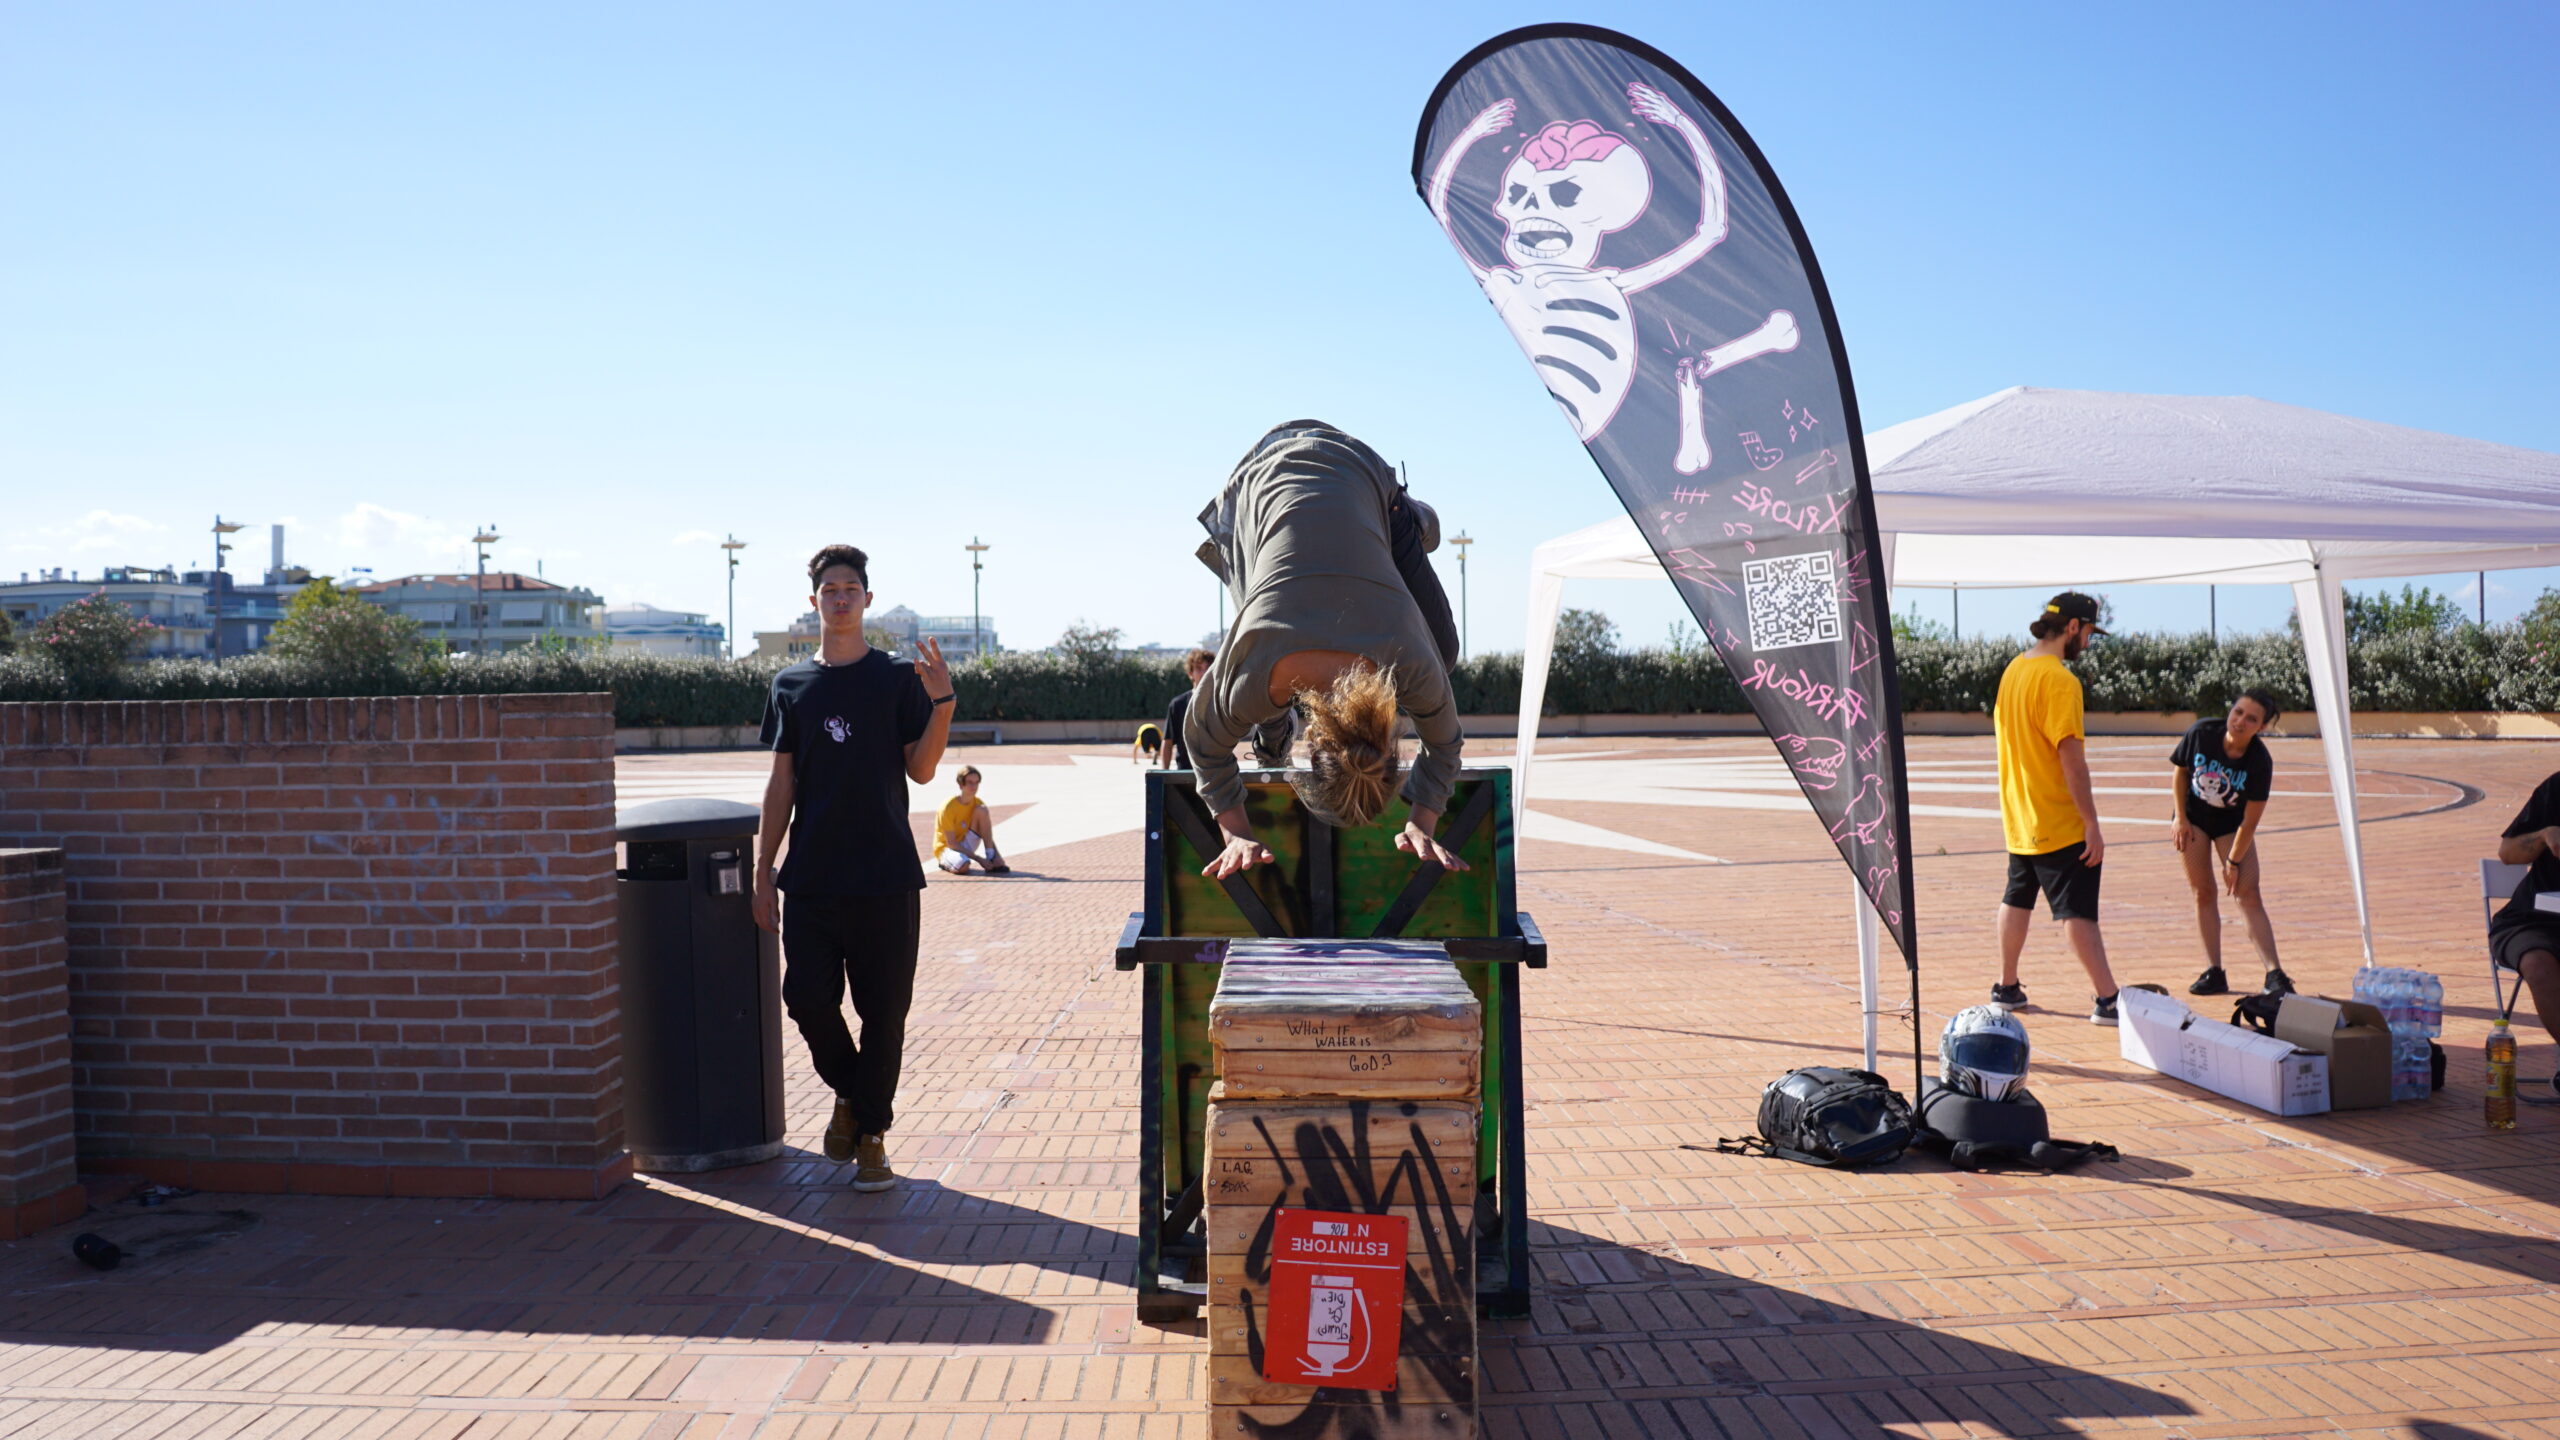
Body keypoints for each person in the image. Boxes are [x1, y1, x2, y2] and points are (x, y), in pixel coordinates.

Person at [751, 544, 954, 1192]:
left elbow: (921, 770)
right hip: (811, 877)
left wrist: (942, 704)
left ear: (867, 599)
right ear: (814, 602)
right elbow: (781, 782)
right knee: (806, 998)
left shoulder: (895, 679)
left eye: (851, 588)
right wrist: (762, 870)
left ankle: (871, 1137)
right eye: (829, 589)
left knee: (884, 1013)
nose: (840, 598)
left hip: (887, 876)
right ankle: (857, 1096)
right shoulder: (791, 686)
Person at [1184, 421, 1468, 878]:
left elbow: (1446, 745)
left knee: (1444, 654)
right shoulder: (1248, 679)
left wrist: (1422, 821)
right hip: (1283, 481)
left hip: (1345, 470)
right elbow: (1202, 743)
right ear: (1313, 743)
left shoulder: (1411, 665)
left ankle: (1404, 515)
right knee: (1262, 698)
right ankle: (1404, 515)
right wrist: (1235, 831)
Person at [1991, 592, 2122, 1025]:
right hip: (2058, 818)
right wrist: (2091, 823)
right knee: (2076, 909)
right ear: (2072, 627)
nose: (2088, 642)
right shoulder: (2061, 681)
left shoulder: (2015, 669)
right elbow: (2071, 758)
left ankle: (2006, 986)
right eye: (2087, 633)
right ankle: (2107, 999)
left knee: (2018, 896)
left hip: (2020, 815)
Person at [2174, 689, 2294, 997]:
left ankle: (2275, 974)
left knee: (2248, 892)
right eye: (2238, 711)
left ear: (2262, 727)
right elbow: (2181, 771)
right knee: (2203, 892)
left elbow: (2250, 821)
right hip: (2194, 821)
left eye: (2251, 718)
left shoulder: (2260, 761)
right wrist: (2180, 819)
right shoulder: (2202, 732)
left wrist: (2234, 861)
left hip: (2232, 826)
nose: (2240, 721)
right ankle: (2214, 971)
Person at [2488, 769, 2560, 1095]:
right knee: (2539, 966)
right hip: (2532, 920)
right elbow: (2507, 854)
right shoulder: (2556, 788)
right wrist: (2544, 836)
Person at [934, 766, 1009, 874]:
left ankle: (991, 856)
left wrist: (996, 855)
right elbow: (952, 843)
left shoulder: (978, 803)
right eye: (970, 782)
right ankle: (946, 862)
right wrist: (979, 859)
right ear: (960, 784)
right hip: (947, 848)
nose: (974, 786)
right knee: (963, 867)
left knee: (982, 810)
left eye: (976, 782)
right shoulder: (948, 807)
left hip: (966, 844)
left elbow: (986, 833)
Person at [1158, 648, 1214, 770]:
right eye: (1199, 668)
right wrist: (1164, 775)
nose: (1204, 672)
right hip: (1186, 772)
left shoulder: (1221, 703)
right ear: (1190, 673)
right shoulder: (1178, 704)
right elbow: (1168, 742)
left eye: (1208, 668)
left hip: (1216, 772)